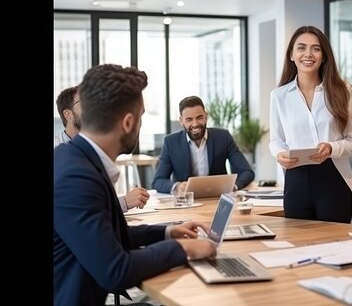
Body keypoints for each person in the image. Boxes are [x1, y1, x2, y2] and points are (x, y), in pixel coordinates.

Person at [54, 64, 216, 305]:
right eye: (141, 116)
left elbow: (102, 235)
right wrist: (185, 249)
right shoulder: (75, 176)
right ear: (128, 122)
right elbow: (115, 271)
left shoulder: (76, 159)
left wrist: (168, 231)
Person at [269, 25, 352, 223]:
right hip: (296, 180)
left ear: (324, 56)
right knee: (298, 245)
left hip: (334, 179)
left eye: (316, 48)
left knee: (336, 247)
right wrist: (279, 154)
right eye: (301, 48)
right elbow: (275, 139)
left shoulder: (343, 90)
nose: (308, 54)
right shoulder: (279, 96)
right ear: (291, 55)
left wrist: (332, 148)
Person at [54, 85, 150, 211]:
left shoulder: (93, 147)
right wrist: (124, 202)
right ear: (68, 114)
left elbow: (96, 201)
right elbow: (74, 209)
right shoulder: (57, 153)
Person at [152, 95, 255, 194]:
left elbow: (247, 172)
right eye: (189, 119)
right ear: (181, 121)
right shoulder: (171, 142)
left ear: (206, 116)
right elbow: (158, 181)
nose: (195, 124)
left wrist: (234, 186)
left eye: (199, 117)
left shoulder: (223, 137)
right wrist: (177, 187)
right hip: (186, 203)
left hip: (217, 199)